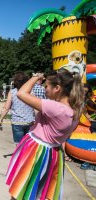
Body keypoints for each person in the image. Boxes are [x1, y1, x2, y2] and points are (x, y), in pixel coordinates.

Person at [6, 69, 84, 200]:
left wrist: (36, 77)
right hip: (54, 152)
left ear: (57, 88)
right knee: (40, 192)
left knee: (21, 190)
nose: (44, 89)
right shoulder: (75, 110)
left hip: (37, 151)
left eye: (46, 86)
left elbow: (21, 93)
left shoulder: (55, 107)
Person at [0, 72, 35, 144]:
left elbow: (6, 108)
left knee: (19, 145)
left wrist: (1, 119)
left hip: (17, 122)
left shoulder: (12, 92)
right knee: (28, 144)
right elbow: (35, 108)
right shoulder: (31, 92)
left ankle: (20, 155)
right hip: (30, 121)